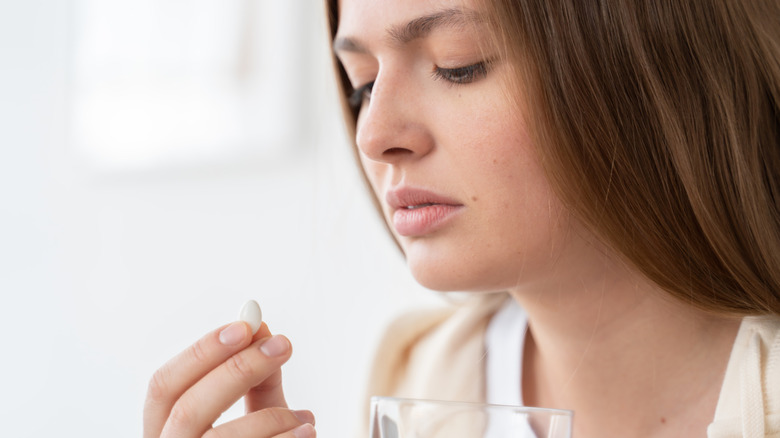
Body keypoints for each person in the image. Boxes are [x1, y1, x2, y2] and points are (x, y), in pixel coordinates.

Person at [144, 0, 780, 437]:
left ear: (644, 66)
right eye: (361, 82)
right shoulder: (418, 377)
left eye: (458, 64)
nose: (374, 134)